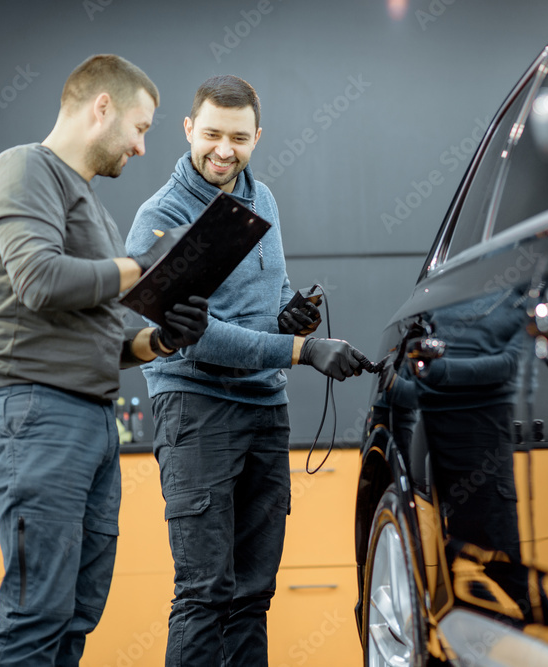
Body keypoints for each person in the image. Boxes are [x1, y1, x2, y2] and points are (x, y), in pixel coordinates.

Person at [0, 54, 210, 666]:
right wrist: (155, 265)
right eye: (142, 127)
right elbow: (41, 281)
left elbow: (95, 333)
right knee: (37, 612)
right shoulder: (24, 170)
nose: (142, 146)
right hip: (34, 410)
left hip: (90, 418)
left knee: (75, 612)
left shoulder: (93, 208)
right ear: (102, 107)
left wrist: (160, 341)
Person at [125, 74, 369, 666]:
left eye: (238, 137)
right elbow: (194, 339)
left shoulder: (264, 201)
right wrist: (302, 353)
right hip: (197, 410)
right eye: (211, 134)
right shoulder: (160, 218)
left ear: (257, 136)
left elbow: (268, 293)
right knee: (205, 593)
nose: (223, 149)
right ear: (188, 130)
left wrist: (290, 317)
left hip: (264, 410)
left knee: (253, 594)